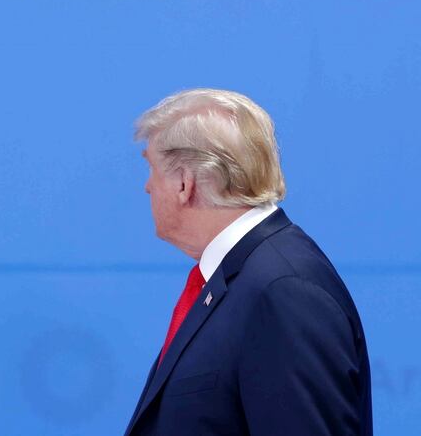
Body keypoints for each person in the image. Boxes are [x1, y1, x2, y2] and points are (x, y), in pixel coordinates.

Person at [124, 89, 371, 435]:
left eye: (150, 167)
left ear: (184, 183)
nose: (147, 187)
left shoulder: (284, 290)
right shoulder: (244, 280)